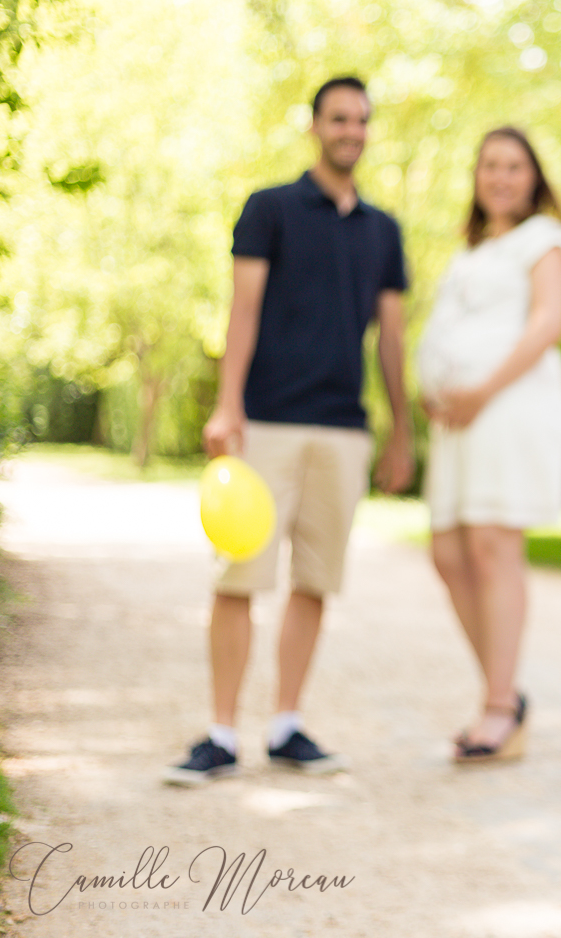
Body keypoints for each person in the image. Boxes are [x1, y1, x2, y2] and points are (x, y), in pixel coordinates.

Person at [163, 76, 415, 786]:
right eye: (339, 119)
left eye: (361, 120)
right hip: (265, 420)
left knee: (315, 581)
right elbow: (241, 312)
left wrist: (401, 429)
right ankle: (218, 733)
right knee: (239, 575)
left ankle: (285, 726)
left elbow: (390, 340)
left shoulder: (384, 231)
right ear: (314, 127)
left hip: (343, 428)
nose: (351, 131)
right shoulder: (268, 209)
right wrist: (227, 403)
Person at [414, 126, 561, 764]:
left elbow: (547, 321)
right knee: (448, 553)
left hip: (511, 409)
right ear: (476, 177)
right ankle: (502, 692)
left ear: (533, 176)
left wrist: (483, 389)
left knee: (491, 546)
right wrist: (438, 388)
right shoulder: (470, 250)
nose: (500, 176)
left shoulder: (544, 239)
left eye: (513, 166)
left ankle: (499, 707)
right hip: (456, 422)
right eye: (489, 166)